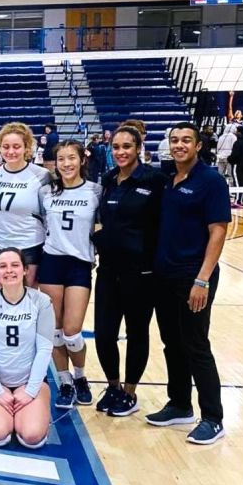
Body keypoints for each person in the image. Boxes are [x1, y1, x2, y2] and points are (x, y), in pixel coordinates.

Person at [148, 122, 231, 445]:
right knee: (172, 343)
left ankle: (213, 417)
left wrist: (202, 278)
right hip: (165, 274)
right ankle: (180, 404)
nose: (179, 145)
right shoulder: (170, 180)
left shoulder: (210, 180)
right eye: (175, 140)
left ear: (198, 145)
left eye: (186, 140)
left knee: (196, 345)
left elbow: (219, 230)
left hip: (193, 276)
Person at [92, 125, 166, 416]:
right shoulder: (109, 179)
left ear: (138, 148)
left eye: (127, 147)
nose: (121, 152)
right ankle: (112, 386)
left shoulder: (155, 180)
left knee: (137, 333)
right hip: (109, 271)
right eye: (116, 147)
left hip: (141, 273)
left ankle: (130, 392)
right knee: (104, 334)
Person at [37, 140, 101, 408]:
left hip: (79, 263)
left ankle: (80, 377)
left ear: (81, 160)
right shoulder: (46, 192)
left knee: (73, 332)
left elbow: (101, 226)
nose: (66, 164)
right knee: (55, 331)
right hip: (51, 261)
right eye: (61, 159)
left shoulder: (95, 191)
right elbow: (41, 222)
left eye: (71, 158)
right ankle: (64, 382)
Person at [0, 248, 53, 449]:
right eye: (3, 266)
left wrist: (31, 390)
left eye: (15, 265)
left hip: (28, 381)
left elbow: (45, 349)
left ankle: (35, 413)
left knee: (32, 437)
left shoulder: (41, 301)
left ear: (25, 270)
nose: (9, 271)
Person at [0, 122, 50, 292]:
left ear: (26, 147)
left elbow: (48, 215)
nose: (10, 151)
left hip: (29, 246)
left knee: (23, 301)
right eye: (6, 147)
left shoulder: (41, 175)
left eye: (16, 146)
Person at [228, 125, 243, 207]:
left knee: (238, 182)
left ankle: (238, 200)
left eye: (237, 131)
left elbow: (234, 155)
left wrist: (229, 159)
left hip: (239, 165)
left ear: (240, 132)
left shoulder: (238, 142)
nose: (236, 133)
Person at [216, 124, 238, 191]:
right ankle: (232, 190)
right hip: (229, 157)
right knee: (230, 175)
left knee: (220, 174)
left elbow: (218, 147)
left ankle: (219, 189)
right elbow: (234, 148)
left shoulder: (221, 136)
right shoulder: (233, 137)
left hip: (220, 157)